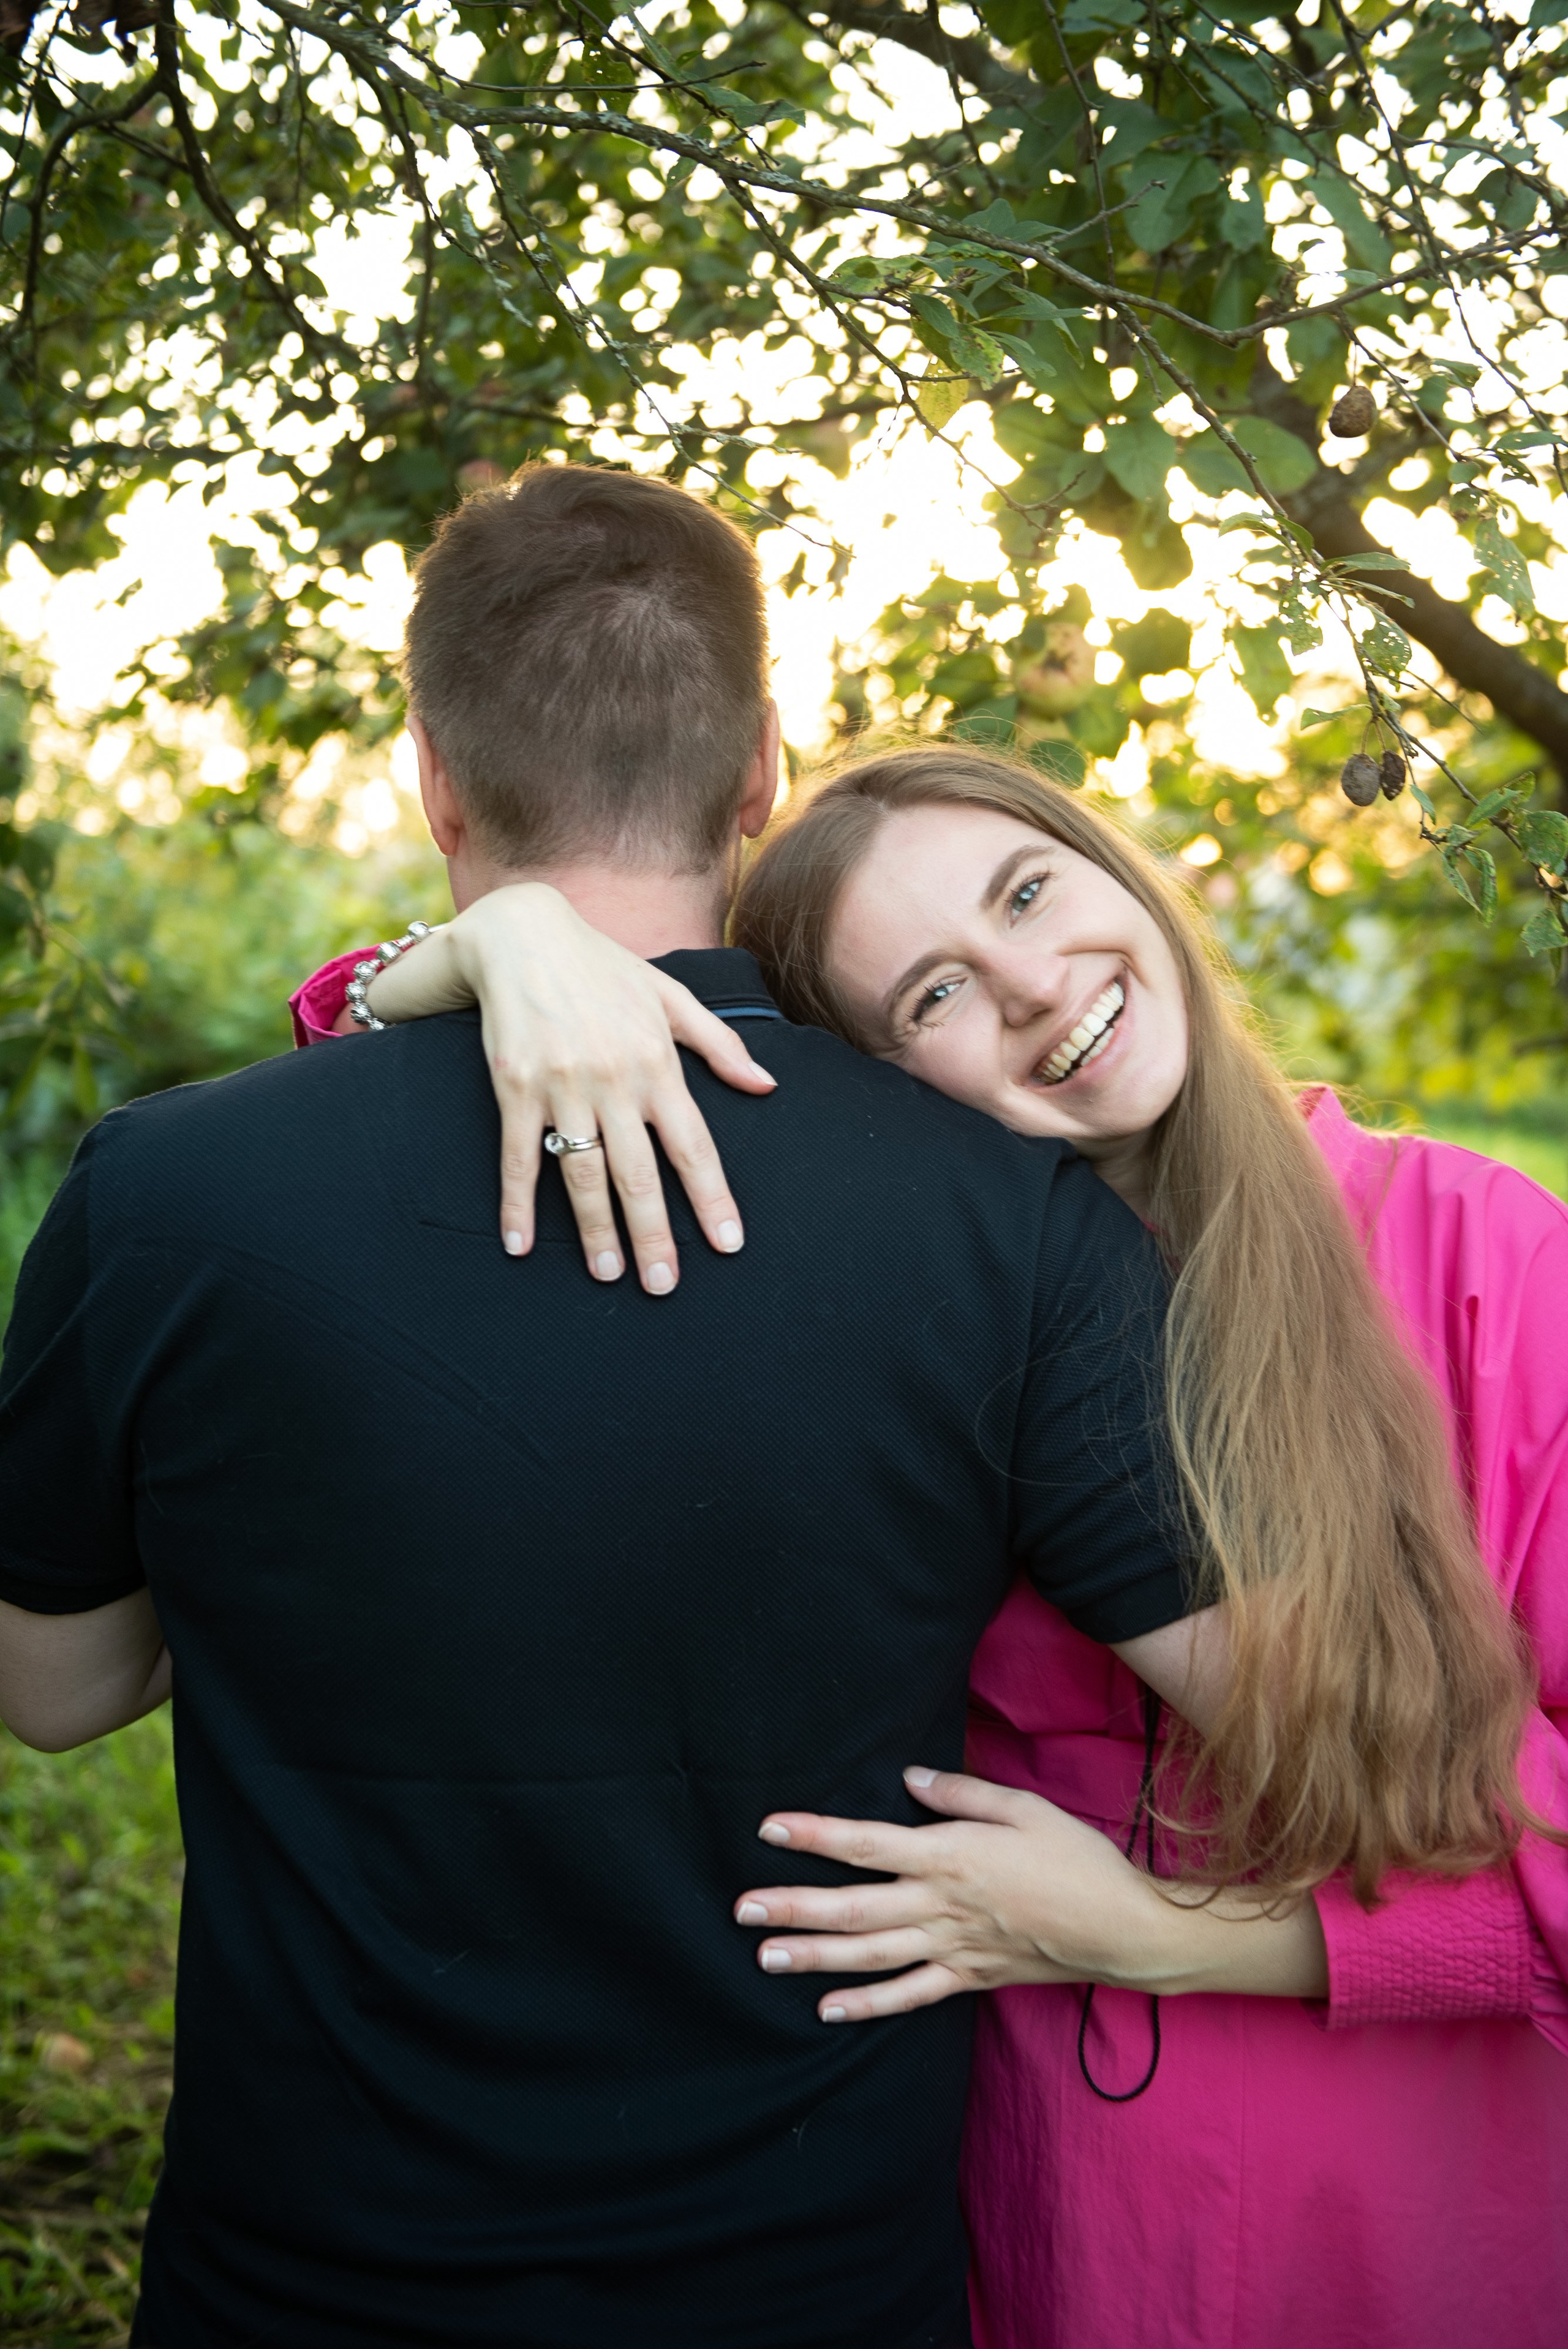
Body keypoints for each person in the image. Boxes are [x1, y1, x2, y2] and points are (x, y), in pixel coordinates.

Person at [0, 467, 1323, 2349]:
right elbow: (1310, 1712)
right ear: (763, 770)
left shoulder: (161, 1197)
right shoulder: (1006, 1215)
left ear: (436, 784)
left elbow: (49, 1690)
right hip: (812, 2288)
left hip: (308, 2286)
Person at [315, 741, 1568, 2349]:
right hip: (1039, 2228)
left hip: (1417, 2218)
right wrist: (497, 945)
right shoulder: (888, 1324)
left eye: (1031, 891)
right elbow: (376, 1158)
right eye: (935, 997)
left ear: (1114, 868)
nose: (1041, 986)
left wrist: (1174, 1936)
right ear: (880, 1087)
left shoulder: (1476, 1255)